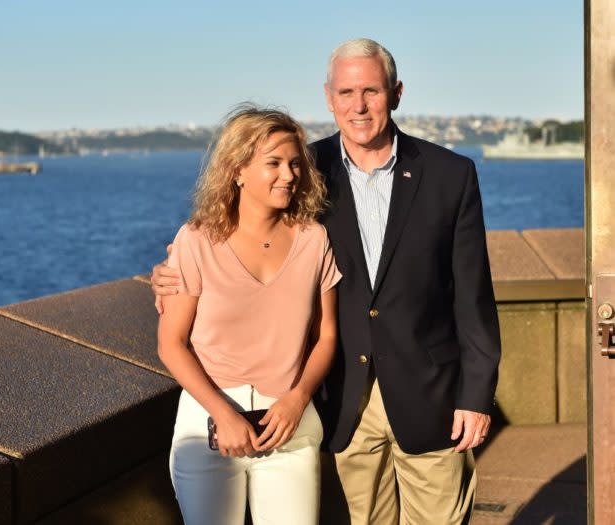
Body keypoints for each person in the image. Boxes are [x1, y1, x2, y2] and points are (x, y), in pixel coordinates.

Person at [153, 39, 501, 525]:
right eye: (346, 92)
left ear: (396, 93)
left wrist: (476, 395)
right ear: (328, 97)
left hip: (432, 394)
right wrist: (169, 271)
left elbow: (473, 295)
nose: (358, 106)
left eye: (371, 91)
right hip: (343, 399)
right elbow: (231, 234)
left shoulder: (450, 174)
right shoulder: (304, 170)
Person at [156, 106, 342, 525]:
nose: (290, 175)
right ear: (237, 170)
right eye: (273, 163)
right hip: (209, 429)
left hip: (290, 426)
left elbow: (326, 336)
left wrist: (297, 400)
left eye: (295, 164)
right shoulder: (196, 240)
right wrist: (223, 414)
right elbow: (170, 343)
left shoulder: (314, 239)